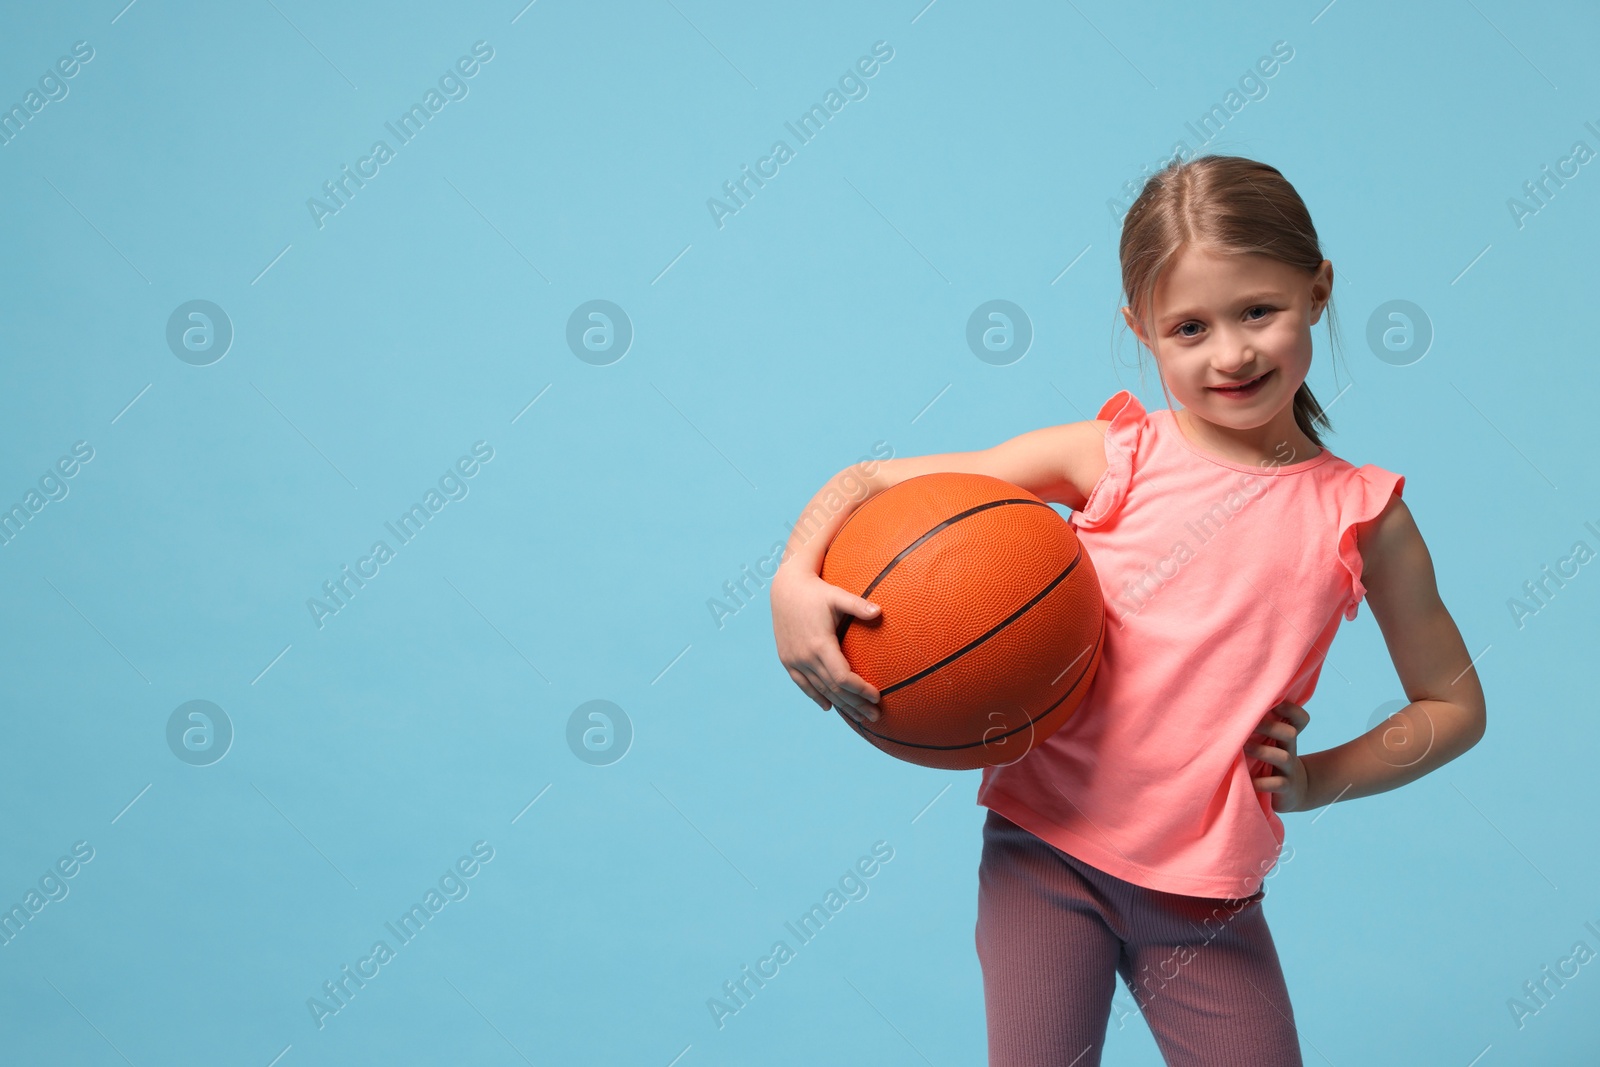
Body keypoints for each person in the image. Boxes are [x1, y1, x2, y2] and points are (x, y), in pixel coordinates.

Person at [769, 154, 1487, 1066]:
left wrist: (1317, 780)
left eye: (1258, 311)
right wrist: (792, 578)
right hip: (1042, 850)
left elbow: (1455, 707)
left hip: (1205, 890)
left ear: (1318, 290)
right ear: (1142, 330)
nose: (1230, 352)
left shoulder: (1364, 517)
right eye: (1190, 327)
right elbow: (871, 479)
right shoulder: (1114, 457)